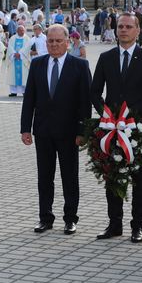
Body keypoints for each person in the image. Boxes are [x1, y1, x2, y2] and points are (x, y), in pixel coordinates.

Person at [90, 13, 142, 242]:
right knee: (112, 176)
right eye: (120, 26)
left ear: (138, 30)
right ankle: (115, 224)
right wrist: (108, 115)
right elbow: (94, 92)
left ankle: (137, 226)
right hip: (110, 128)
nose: (123, 30)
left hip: (137, 128)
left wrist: (131, 114)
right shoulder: (106, 58)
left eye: (129, 26)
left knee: (139, 178)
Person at [20, 24, 92, 235]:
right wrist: (25, 128)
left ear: (67, 42)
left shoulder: (79, 65)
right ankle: (45, 217)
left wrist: (82, 131)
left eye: (58, 41)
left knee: (69, 177)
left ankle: (70, 218)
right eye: (50, 41)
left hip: (69, 133)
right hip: (43, 131)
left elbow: (84, 102)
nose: (54, 45)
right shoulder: (37, 64)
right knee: (45, 177)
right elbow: (29, 99)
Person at [5, 25, 31, 97]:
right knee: (13, 76)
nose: (22, 32)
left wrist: (20, 54)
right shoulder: (12, 38)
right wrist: (14, 54)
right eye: (20, 30)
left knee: (24, 76)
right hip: (14, 59)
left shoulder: (27, 39)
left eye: (23, 30)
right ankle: (13, 92)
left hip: (23, 60)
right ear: (17, 31)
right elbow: (9, 47)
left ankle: (24, 91)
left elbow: (27, 48)